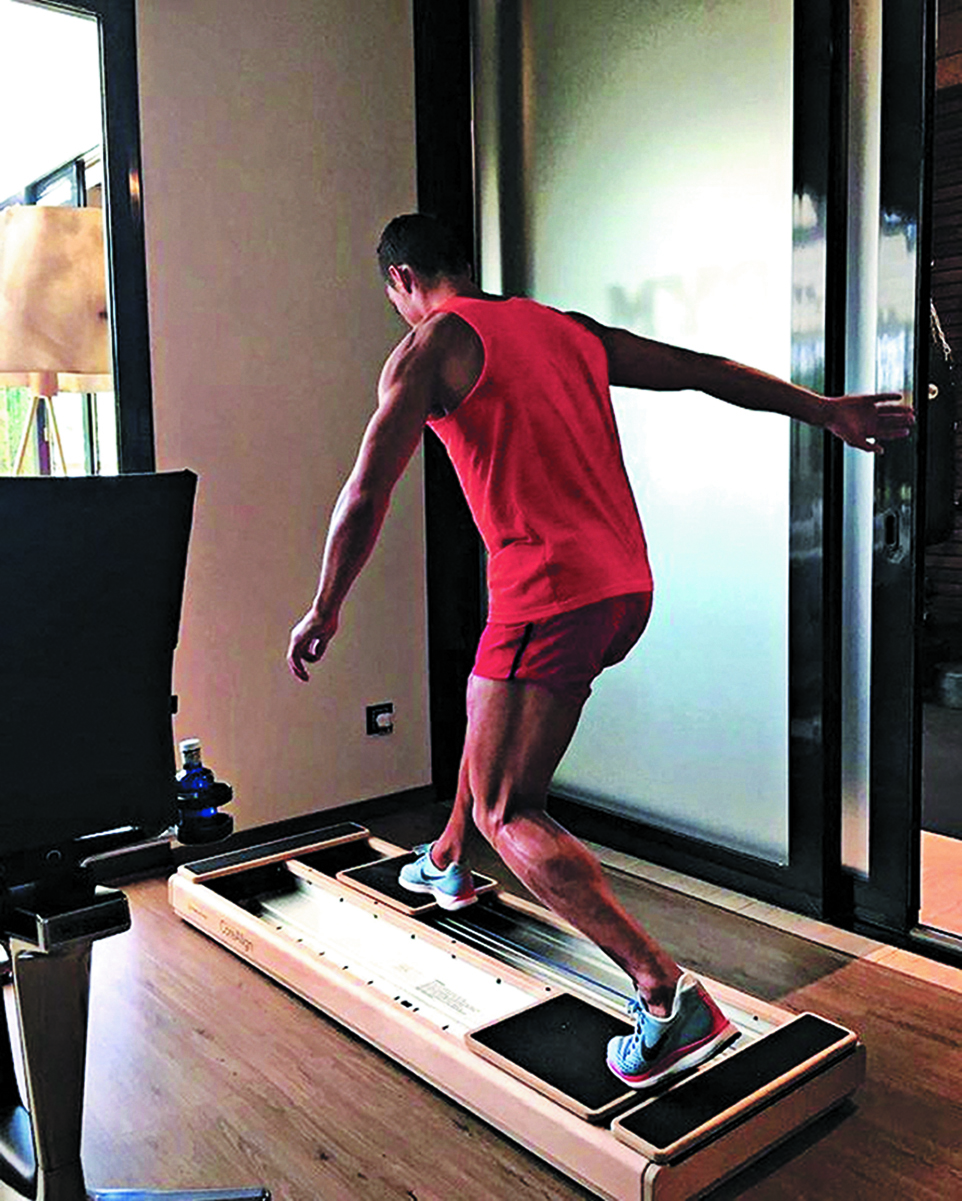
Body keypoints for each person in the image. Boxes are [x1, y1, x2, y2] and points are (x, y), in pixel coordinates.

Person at [287, 213, 914, 1090]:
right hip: (622, 586)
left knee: (512, 807)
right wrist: (823, 409)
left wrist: (324, 606)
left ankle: (665, 995)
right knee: (488, 697)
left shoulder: (428, 347)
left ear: (400, 280)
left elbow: (365, 492)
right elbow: (698, 370)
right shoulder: (561, 328)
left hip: (549, 594)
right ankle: (447, 859)